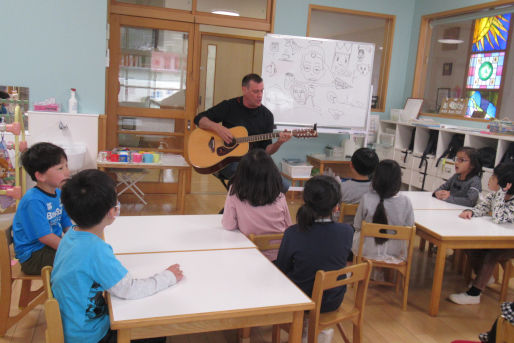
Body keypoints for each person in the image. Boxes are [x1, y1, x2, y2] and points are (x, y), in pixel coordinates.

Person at [52, 169, 184, 343]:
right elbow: (128, 289)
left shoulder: (70, 235)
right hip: (90, 336)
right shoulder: (95, 250)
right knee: (155, 332)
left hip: (73, 325)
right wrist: (168, 277)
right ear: (112, 212)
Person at [276, 175, 354, 343]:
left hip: (301, 299)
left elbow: (282, 269)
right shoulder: (347, 231)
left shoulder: (293, 233)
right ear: (336, 207)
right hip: (333, 299)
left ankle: (302, 333)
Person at [193, 73, 291, 181]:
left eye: (262, 91)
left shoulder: (267, 116)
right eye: (255, 91)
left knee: (282, 184)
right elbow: (199, 119)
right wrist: (218, 128)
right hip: (228, 161)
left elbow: (267, 150)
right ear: (244, 90)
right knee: (246, 176)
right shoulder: (229, 106)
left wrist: (279, 143)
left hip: (256, 161)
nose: (260, 95)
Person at [449, 162, 514, 305]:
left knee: (493, 254)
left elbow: (499, 217)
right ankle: (485, 276)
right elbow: (482, 207)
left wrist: (501, 195)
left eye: (493, 177)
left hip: (510, 243)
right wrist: (471, 212)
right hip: (498, 238)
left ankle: (475, 293)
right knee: (470, 246)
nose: (490, 179)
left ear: (505, 184)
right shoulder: (495, 196)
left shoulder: (507, 199)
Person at [12, 142, 72, 275]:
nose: (67, 172)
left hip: (49, 248)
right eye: (60, 168)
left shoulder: (59, 193)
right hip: (33, 256)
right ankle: (71, 294)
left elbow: (66, 223)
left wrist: (77, 239)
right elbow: (45, 237)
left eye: (66, 166)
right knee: (78, 260)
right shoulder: (33, 200)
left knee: (85, 253)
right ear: (41, 176)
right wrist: (71, 249)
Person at [221, 149, 292, 261]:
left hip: (249, 254)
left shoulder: (235, 192)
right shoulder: (279, 195)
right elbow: (288, 226)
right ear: (272, 172)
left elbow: (228, 225)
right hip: (279, 257)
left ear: (241, 173)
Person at [352, 160, 414, 264]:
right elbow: (409, 227)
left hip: (367, 251)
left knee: (358, 233)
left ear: (375, 178)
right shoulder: (406, 201)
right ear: (398, 180)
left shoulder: (366, 198)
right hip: (396, 253)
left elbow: (357, 225)